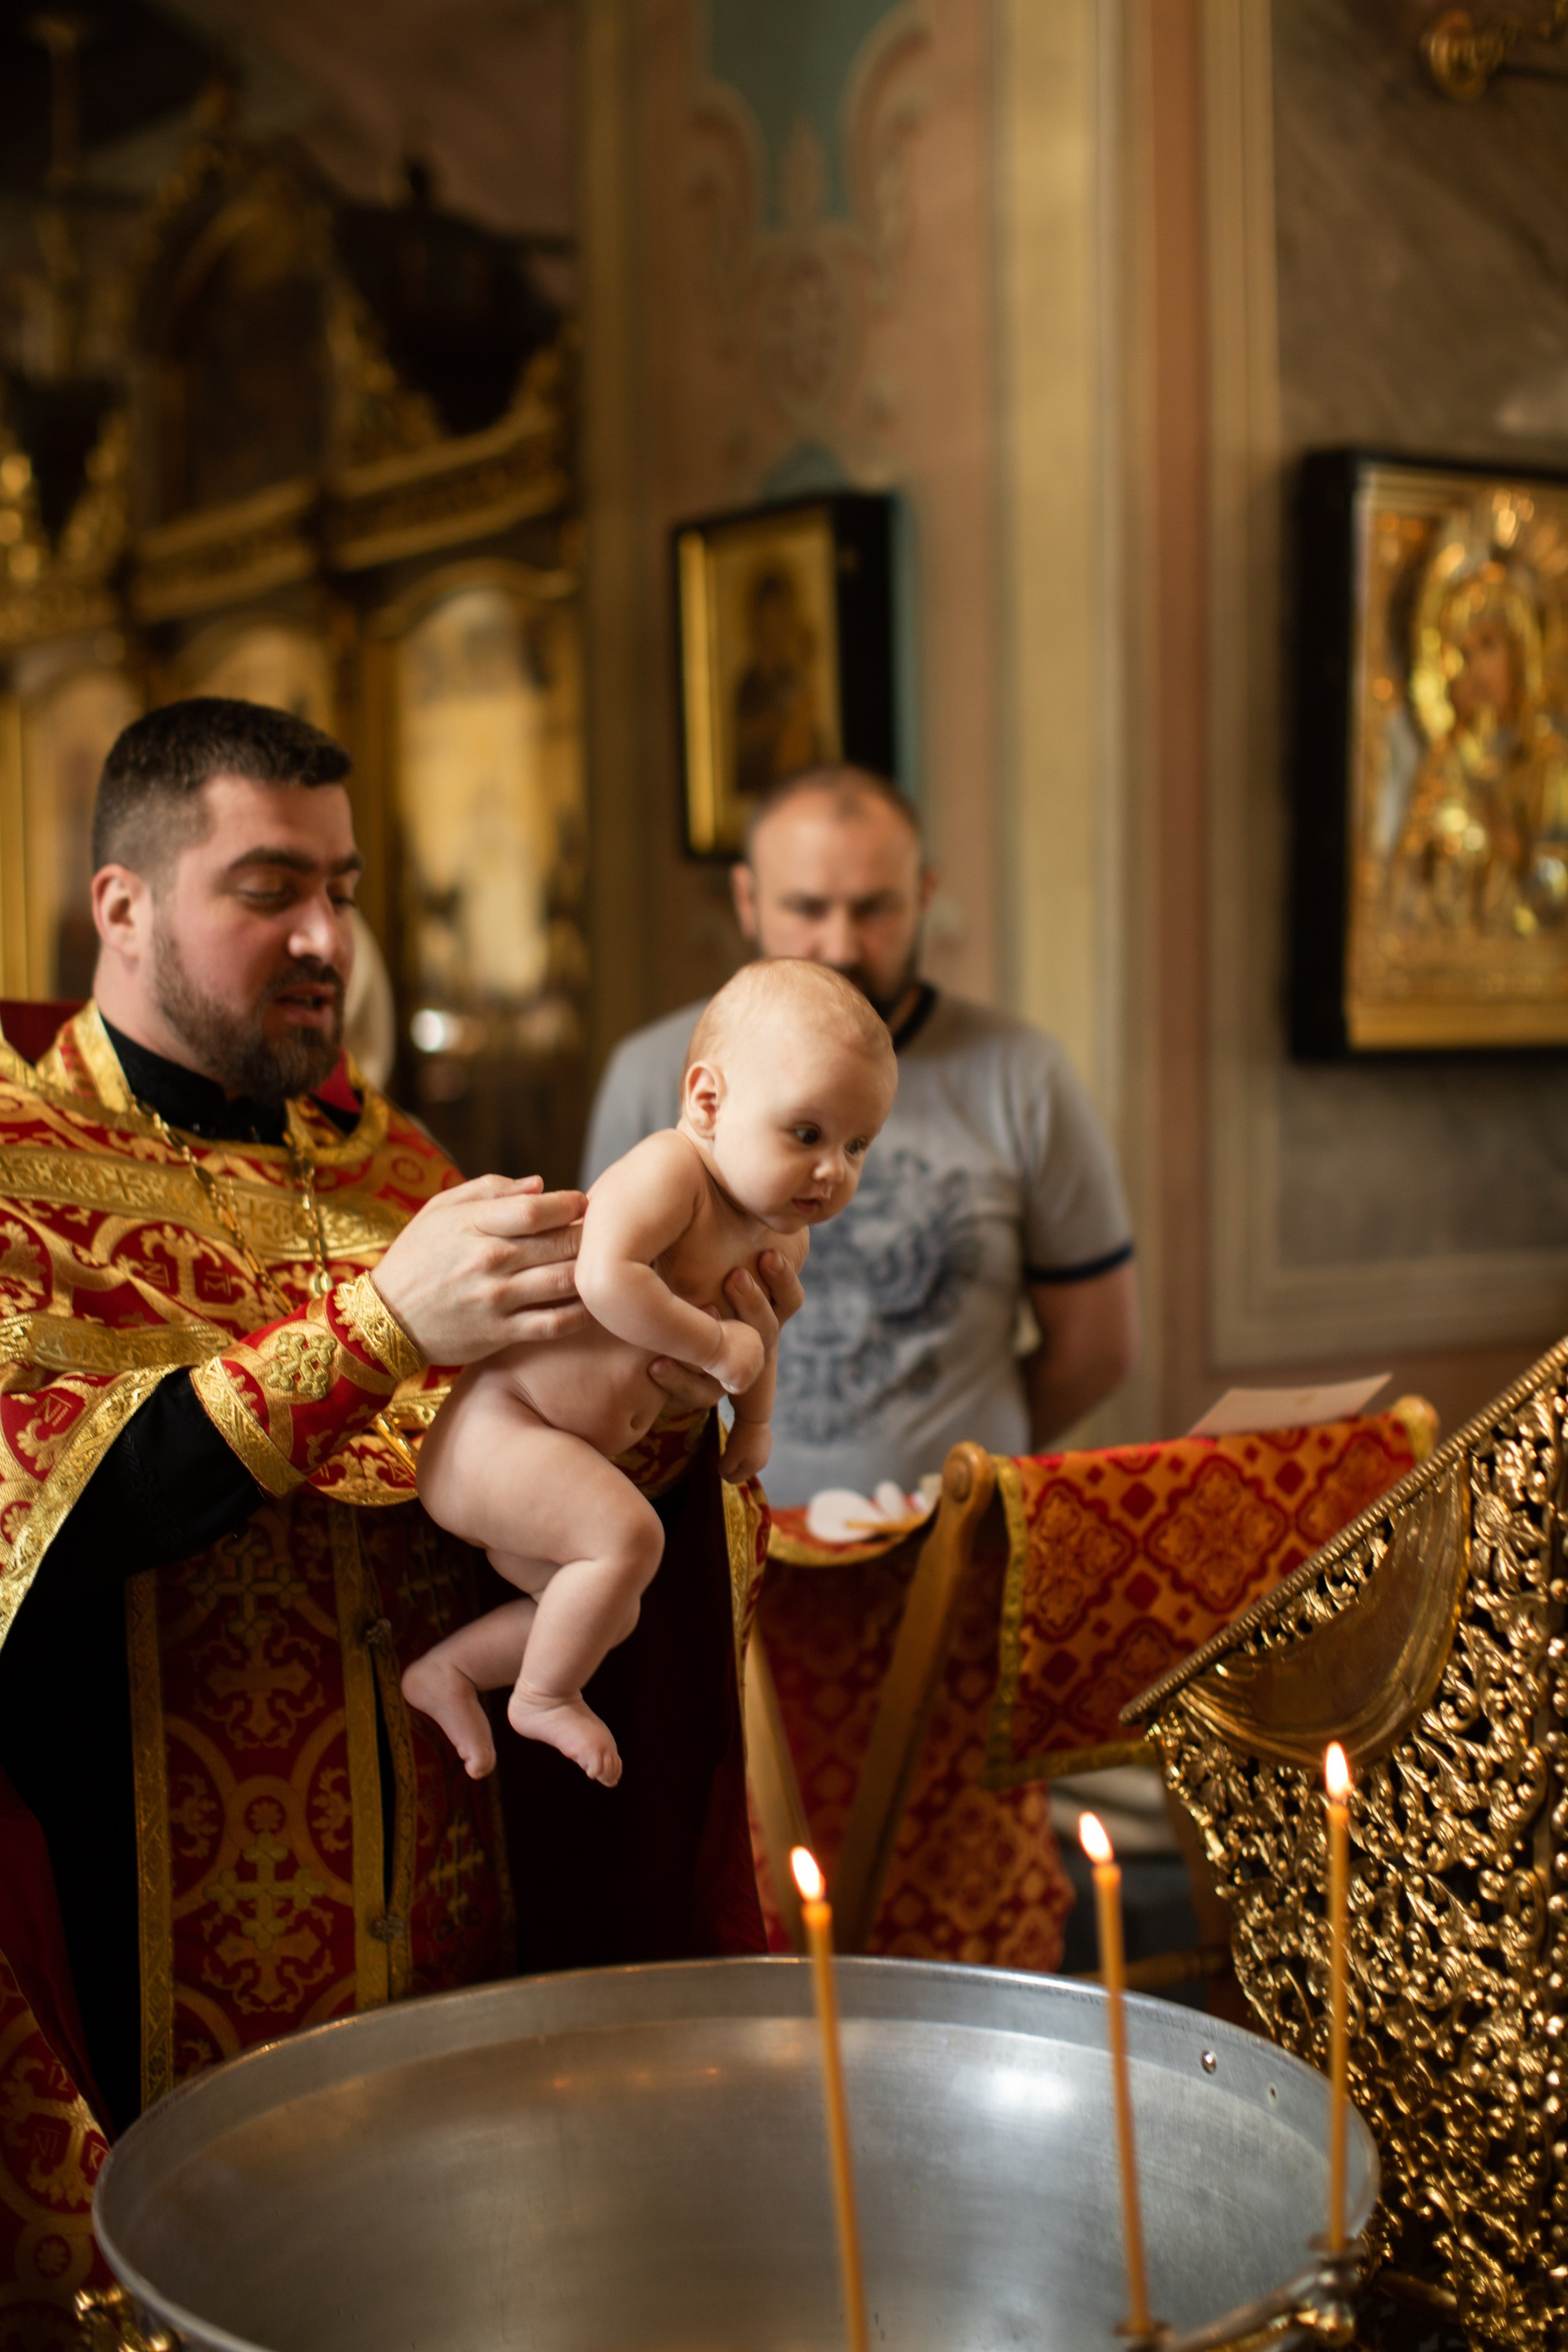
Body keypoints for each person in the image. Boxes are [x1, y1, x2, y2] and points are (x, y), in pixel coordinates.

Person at [0, 699, 801, 2330]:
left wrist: (680, 1381)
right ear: (123, 905)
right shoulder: (18, 1163)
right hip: (149, 1995)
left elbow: (524, 1497)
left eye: (346, 890)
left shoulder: (402, 1169)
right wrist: (378, 1330)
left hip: (447, 1961)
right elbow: (44, 1528)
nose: (325, 939)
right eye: (268, 887)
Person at [584, 764, 1139, 1505]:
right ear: (747, 900)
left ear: (924, 898)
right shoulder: (653, 1071)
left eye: (874, 909)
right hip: (710, 1527)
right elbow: (601, 1309)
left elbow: (1095, 1349)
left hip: (950, 1541)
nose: (840, 944)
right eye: (808, 907)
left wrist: (964, 1474)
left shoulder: (1025, 1076)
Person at [407, 960, 895, 1785]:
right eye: (807, 1135)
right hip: (500, 1430)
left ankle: (449, 1673)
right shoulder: (674, 1173)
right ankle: (542, 1700)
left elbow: (760, 1334)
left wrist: (759, 1417)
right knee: (629, 1539)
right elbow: (605, 1276)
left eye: (857, 1147)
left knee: (612, 1604)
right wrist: (713, 1351)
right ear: (708, 1102)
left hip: (554, 1454)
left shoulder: (779, 1229)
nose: (831, 1172)